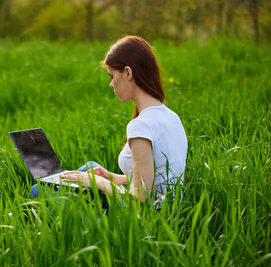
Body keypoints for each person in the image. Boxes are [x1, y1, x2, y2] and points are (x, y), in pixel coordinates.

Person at [32, 35, 188, 207]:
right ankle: (63, 183)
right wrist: (115, 178)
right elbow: (158, 177)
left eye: (111, 76)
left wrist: (101, 183)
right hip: (169, 209)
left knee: (38, 190)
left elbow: (140, 202)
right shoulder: (171, 116)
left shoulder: (141, 126)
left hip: (144, 219)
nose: (111, 84)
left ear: (128, 73)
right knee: (90, 167)